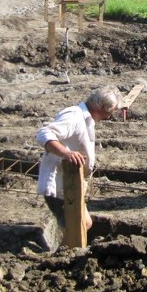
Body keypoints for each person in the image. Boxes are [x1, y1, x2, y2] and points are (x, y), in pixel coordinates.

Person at [36, 85, 123, 232]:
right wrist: (67, 154)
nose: (109, 116)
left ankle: (68, 249)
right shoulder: (74, 116)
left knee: (85, 224)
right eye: (110, 111)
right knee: (76, 228)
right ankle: (68, 252)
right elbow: (44, 134)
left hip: (72, 184)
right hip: (60, 185)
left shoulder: (86, 119)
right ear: (101, 106)